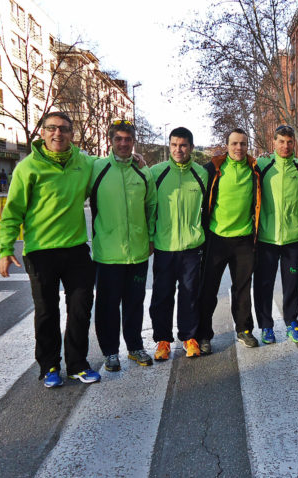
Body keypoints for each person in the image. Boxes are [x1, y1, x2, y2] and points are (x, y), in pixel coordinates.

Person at [0, 111, 100, 388]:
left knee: (80, 309)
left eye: (64, 129)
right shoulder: (28, 168)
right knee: (46, 312)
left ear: (72, 134)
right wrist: (5, 249)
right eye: (52, 128)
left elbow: (109, 165)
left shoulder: (84, 163)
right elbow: (13, 211)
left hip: (76, 250)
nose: (58, 133)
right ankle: (50, 365)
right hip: (40, 252)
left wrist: (134, 158)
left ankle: (77, 364)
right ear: (42, 133)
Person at [89, 119, 157, 372]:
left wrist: (150, 237)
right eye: (118, 139)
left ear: (133, 142)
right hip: (108, 253)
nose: (123, 143)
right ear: (111, 141)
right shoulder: (96, 168)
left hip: (138, 252)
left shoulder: (142, 171)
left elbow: (152, 206)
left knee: (134, 304)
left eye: (128, 139)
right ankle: (110, 352)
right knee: (107, 306)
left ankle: (135, 347)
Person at [197, 128, 261, 353]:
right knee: (208, 289)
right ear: (227, 146)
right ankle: (203, 335)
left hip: (244, 240)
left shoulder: (255, 169)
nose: (238, 148)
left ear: (247, 146)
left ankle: (244, 330)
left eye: (243, 143)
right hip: (216, 238)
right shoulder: (213, 168)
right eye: (234, 143)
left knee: (242, 289)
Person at [149, 127, 209, 359]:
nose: (178, 149)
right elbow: (149, 208)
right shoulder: (156, 172)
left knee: (190, 295)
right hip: (164, 246)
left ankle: (189, 337)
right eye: (174, 145)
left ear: (191, 147)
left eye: (183, 145)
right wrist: (151, 238)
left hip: (192, 248)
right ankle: (163, 340)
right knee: (162, 296)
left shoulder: (201, 174)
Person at [254, 125, 298, 344]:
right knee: (263, 285)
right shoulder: (262, 165)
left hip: (293, 238)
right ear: (274, 142)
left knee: (293, 285)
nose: (285, 146)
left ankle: (292, 323)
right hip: (266, 238)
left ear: (293, 143)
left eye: (289, 142)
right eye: (281, 141)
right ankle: (266, 326)